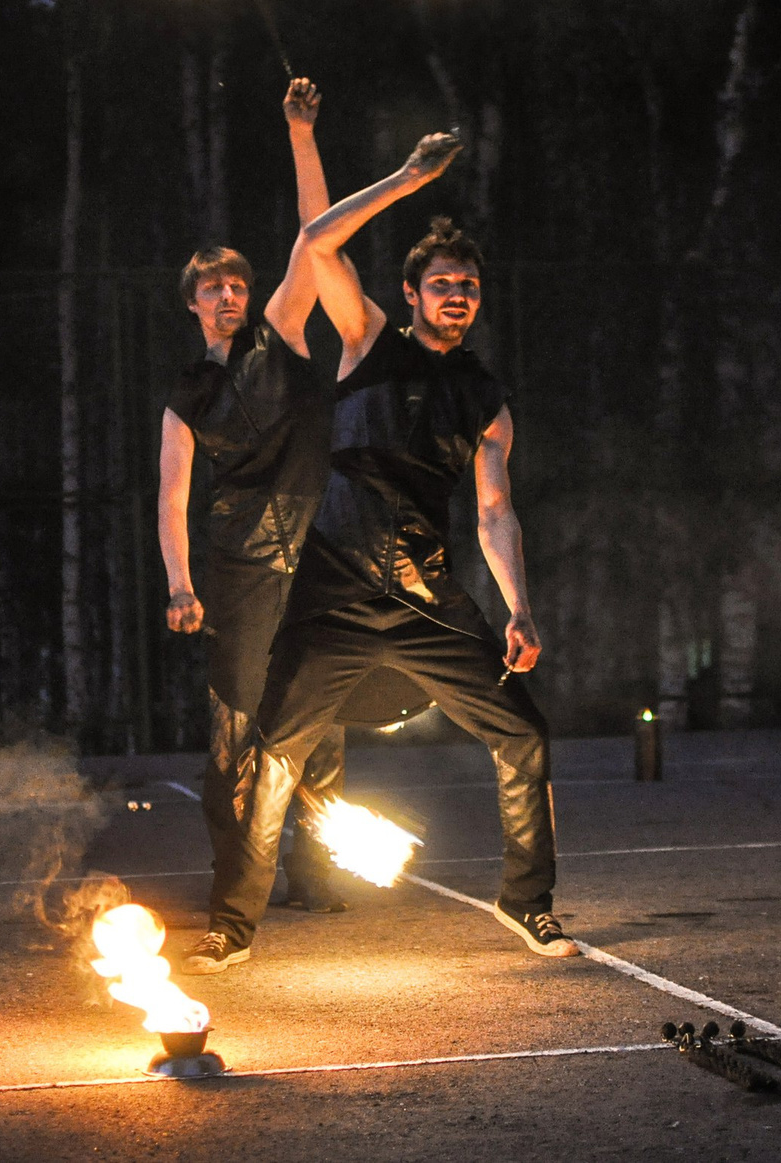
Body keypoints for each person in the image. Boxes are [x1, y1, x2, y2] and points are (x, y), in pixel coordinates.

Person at [184, 133, 574, 975]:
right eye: (442, 285)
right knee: (275, 749)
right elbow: (318, 240)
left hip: (427, 597)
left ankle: (527, 901)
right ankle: (233, 923)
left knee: (525, 733)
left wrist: (519, 606)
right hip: (334, 593)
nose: (458, 296)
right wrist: (405, 179)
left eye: (469, 286)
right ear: (410, 294)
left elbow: (496, 511)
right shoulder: (365, 339)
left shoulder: (486, 399)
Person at [157, 78, 349, 916]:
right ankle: (239, 876)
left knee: (320, 719)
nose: (230, 294)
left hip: (314, 554)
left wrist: (300, 132)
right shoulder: (186, 396)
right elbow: (170, 498)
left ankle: (318, 870)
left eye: (237, 283)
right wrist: (180, 584)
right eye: (213, 287)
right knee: (235, 729)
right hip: (237, 570)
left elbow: (319, 236)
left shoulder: (284, 336)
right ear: (193, 303)